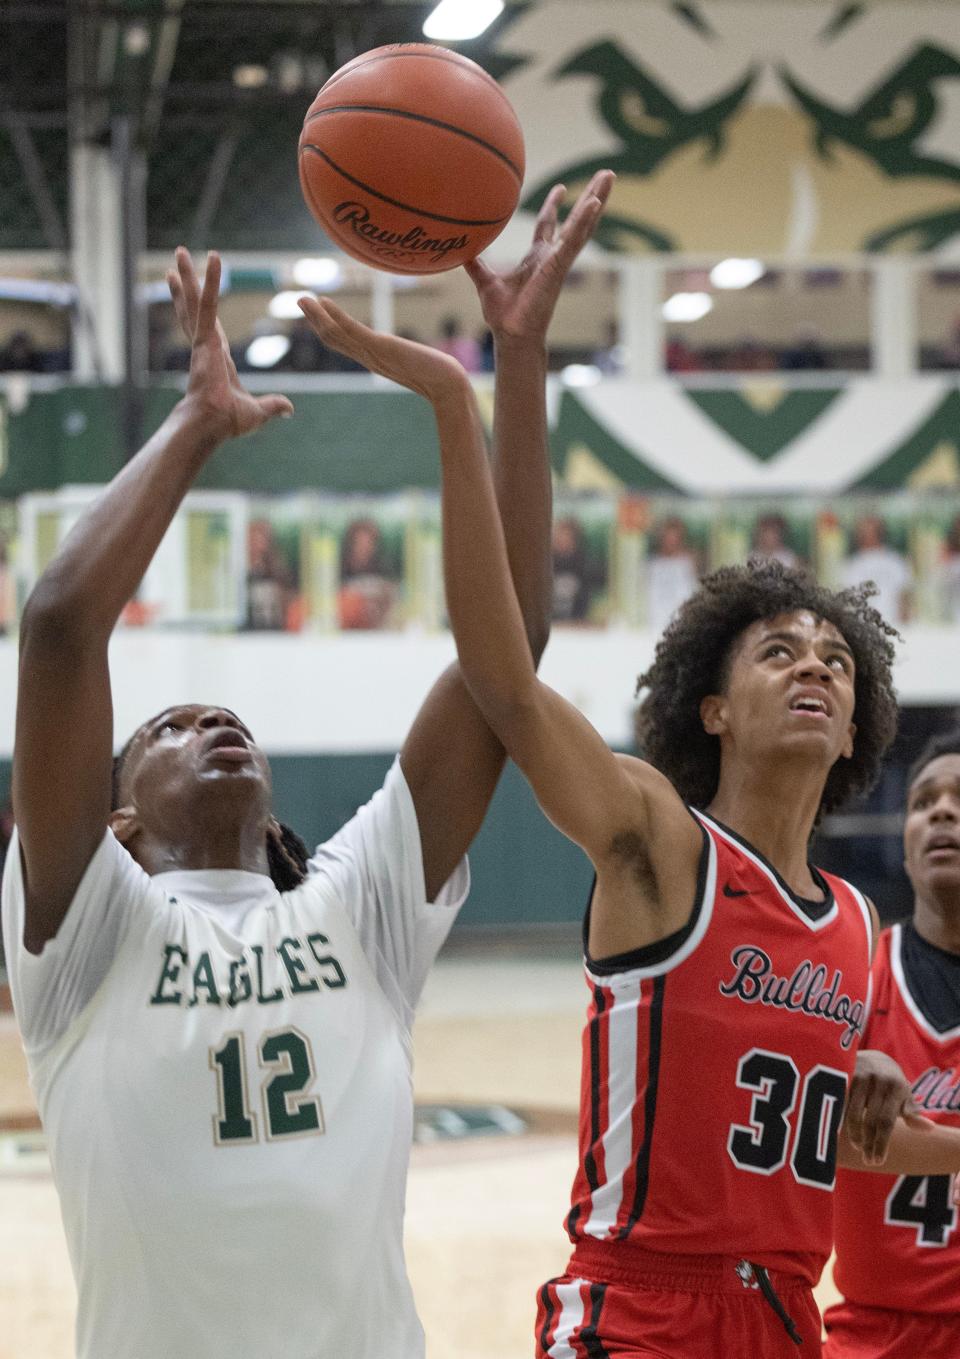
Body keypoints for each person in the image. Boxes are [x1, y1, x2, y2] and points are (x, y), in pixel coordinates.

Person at [1, 172, 613, 1359]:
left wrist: (518, 366)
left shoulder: (361, 909)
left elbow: (510, 659)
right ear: (116, 817)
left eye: (222, 716)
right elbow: (64, 626)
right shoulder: (86, 935)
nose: (213, 724)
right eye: (170, 727)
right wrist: (196, 422)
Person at [304, 295, 960, 1359]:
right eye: (780, 652)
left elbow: (843, 1141)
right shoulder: (663, 840)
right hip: (641, 1311)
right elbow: (505, 683)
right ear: (713, 707)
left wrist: (907, 1119)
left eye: (837, 662)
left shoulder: (851, 920)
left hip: (791, 1321)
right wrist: (488, 384)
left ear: (854, 731)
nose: (815, 668)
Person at [825, 730, 960, 1359]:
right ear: (904, 846)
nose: (941, 811)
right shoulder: (853, 979)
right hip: (876, 1335)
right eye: (923, 801)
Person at [841, 515, 912, 625]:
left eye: (872, 530)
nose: (867, 535)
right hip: (862, 629)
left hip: (894, 626)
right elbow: (847, 601)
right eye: (863, 531)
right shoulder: (852, 565)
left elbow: (905, 596)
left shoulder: (895, 561)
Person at [647, 515, 699, 632]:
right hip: (655, 623)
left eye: (674, 536)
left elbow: (693, 589)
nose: (671, 541)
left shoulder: (688, 561)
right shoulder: (653, 563)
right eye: (668, 536)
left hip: (682, 623)